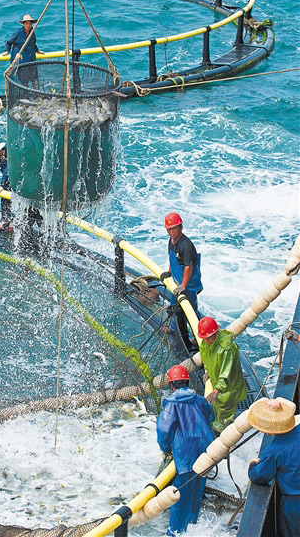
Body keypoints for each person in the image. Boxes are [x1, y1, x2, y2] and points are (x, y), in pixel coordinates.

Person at [157, 364, 215, 536]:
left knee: (181, 492)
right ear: (188, 382)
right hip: (207, 450)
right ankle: (193, 523)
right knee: (198, 485)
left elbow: (164, 431)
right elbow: (210, 415)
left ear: (171, 385)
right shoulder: (199, 399)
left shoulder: (171, 405)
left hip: (185, 453)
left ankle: (175, 531)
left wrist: (166, 449)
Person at [247, 398, 300, 537]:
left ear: (268, 431)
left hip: (295, 502)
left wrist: (252, 465)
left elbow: (259, 476)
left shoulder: (274, 451)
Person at [160, 212, 203, 351]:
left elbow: (188, 268)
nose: (171, 232)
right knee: (174, 304)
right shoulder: (171, 241)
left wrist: (183, 285)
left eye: (174, 229)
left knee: (191, 310)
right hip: (177, 281)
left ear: (181, 228)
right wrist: (169, 272)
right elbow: (172, 258)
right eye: (169, 229)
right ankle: (173, 328)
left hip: (188, 284)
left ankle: (201, 337)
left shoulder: (186, 246)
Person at [198, 316, 246, 433]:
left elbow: (226, 372)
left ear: (216, 333)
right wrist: (208, 371)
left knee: (226, 409)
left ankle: (226, 435)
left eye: (210, 337)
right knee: (218, 407)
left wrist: (216, 390)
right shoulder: (205, 344)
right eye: (205, 338)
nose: (208, 340)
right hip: (218, 383)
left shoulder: (227, 349)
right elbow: (207, 358)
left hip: (229, 386)